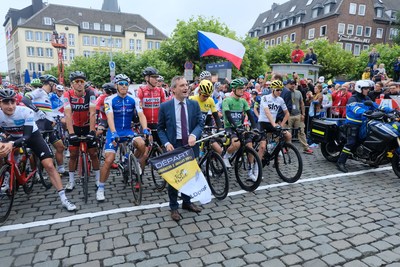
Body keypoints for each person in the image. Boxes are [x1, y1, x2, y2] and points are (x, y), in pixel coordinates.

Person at [0, 89, 76, 211]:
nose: (10, 106)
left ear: (16, 102)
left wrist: (11, 143)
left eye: (12, 102)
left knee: (49, 165)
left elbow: (27, 137)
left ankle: (64, 199)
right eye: (6, 103)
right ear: (0, 103)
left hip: (31, 137)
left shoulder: (26, 112)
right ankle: (6, 174)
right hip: (12, 137)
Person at [96, 74, 150, 201]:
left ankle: (127, 159)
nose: (124, 86)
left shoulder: (134, 99)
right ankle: (101, 188)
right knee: (109, 160)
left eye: (126, 84)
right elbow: (109, 116)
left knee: (142, 145)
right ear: (116, 85)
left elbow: (141, 115)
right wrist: (114, 132)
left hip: (128, 130)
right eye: (121, 84)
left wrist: (145, 129)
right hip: (114, 131)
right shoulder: (109, 100)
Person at [157, 75, 204, 222]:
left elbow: (200, 124)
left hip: (189, 145)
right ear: (173, 89)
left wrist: (194, 135)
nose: (186, 88)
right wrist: (166, 143)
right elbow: (160, 129)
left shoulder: (194, 105)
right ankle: (173, 207)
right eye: (182, 85)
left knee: (189, 176)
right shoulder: (165, 107)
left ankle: (187, 202)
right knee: (175, 178)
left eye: (186, 85)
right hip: (174, 146)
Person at [22, 74, 66, 175]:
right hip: (40, 125)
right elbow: (25, 99)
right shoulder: (40, 91)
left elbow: (47, 110)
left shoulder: (46, 94)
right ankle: (37, 173)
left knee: (60, 147)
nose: (56, 87)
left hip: (48, 125)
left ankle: (61, 168)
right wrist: (36, 110)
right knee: (36, 152)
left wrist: (51, 119)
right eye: (55, 85)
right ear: (50, 84)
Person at [64, 71, 100, 191]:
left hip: (87, 126)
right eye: (76, 82)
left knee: (93, 153)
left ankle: (98, 179)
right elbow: (68, 114)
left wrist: (92, 131)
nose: (80, 84)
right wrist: (71, 133)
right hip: (74, 127)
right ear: (72, 84)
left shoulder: (91, 93)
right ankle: (71, 181)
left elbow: (93, 111)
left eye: (82, 81)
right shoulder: (67, 95)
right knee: (73, 154)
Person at [336, 80, 383, 173]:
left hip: (364, 124)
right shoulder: (353, 98)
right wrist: (365, 112)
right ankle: (340, 162)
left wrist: (391, 110)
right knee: (351, 142)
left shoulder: (367, 98)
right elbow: (355, 109)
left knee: (370, 140)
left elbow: (377, 106)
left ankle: (371, 159)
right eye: (365, 88)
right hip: (353, 124)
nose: (367, 90)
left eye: (368, 88)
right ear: (359, 89)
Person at [222, 79, 258, 181]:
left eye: (243, 88)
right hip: (229, 127)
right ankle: (226, 156)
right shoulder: (227, 100)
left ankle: (250, 172)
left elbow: (250, 114)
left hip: (240, 127)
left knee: (250, 147)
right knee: (236, 144)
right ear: (233, 89)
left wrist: (255, 126)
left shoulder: (243, 101)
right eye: (239, 88)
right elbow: (228, 115)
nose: (242, 90)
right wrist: (234, 125)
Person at [257, 80, 292, 162]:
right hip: (263, 122)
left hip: (272, 123)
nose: (280, 92)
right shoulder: (265, 98)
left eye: (281, 90)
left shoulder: (280, 100)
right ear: (273, 89)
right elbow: (267, 112)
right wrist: (274, 124)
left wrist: (282, 125)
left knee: (288, 136)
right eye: (277, 90)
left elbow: (287, 114)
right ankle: (257, 167)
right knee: (262, 146)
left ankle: (277, 151)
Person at [137, 67, 166, 147]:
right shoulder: (141, 90)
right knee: (144, 150)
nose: (156, 79)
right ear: (147, 78)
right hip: (145, 124)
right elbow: (138, 108)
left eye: (157, 77)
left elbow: (165, 108)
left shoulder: (160, 91)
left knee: (161, 147)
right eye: (153, 77)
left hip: (158, 123)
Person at [286, 80, 313, 154]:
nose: (293, 85)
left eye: (294, 84)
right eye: (291, 84)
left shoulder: (298, 92)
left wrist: (303, 114)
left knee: (301, 131)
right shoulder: (285, 92)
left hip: (298, 115)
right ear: (288, 84)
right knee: (287, 132)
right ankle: (286, 147)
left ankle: (306, 147)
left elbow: (302, 103)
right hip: (289, 115)